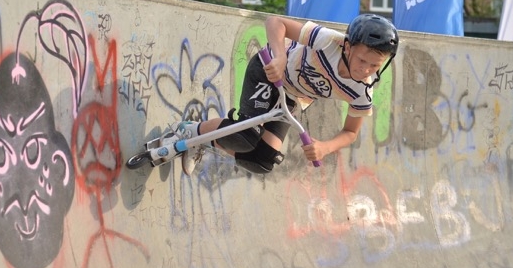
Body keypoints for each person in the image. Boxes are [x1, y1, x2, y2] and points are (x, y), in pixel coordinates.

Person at [164, 13, 399, 175]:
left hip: (290, 100)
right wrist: (280, 56)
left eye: (374, 66)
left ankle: (201, 140)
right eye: (362, 60)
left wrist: (326, 147)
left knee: (261, 161)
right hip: (269, 73)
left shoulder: (361, 91)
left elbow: (350, 132)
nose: (365, 70)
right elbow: (276, 22)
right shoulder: (328, 41)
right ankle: (188, 131)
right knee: (246, 137)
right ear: (347, 47)